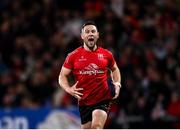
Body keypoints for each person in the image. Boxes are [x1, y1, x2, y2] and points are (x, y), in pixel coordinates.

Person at [58, 21, 121, 129]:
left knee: (96, 127)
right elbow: (62, 76)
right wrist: (68, 89)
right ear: (82, 36)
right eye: (87, 32)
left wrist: (117, 83)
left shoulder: (106, 54)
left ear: (97, 35)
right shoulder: (73, 56)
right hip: (84, 102)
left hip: (103, 98)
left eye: (93, 31)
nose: (90, 34)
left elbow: (115, 69)